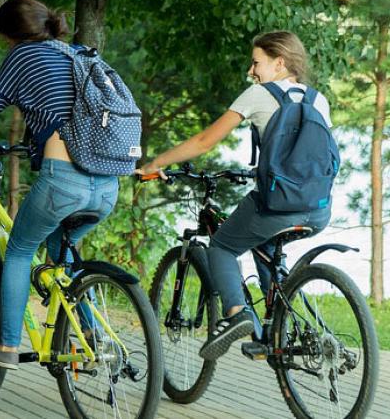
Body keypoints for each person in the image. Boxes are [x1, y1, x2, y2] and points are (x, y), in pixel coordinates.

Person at [0, 0, 120, 369]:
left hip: (64, 182)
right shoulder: (74, 53)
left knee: (17, 251)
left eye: (3, 37)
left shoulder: (24, 56)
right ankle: (90, 333)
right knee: (61, 252)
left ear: (11, 34)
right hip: (108, 185)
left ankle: (7, 347)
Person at [136, 30, 333, 361]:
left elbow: (204, 141)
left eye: (256, 62)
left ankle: (237, 313)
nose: (252, 70)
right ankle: (274, 334)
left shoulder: (258, 95)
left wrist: (155, 163)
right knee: (264, 244)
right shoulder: (319, 99)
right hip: (318, 209)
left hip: (276, 207)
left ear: (279, 62)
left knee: (224, 246)